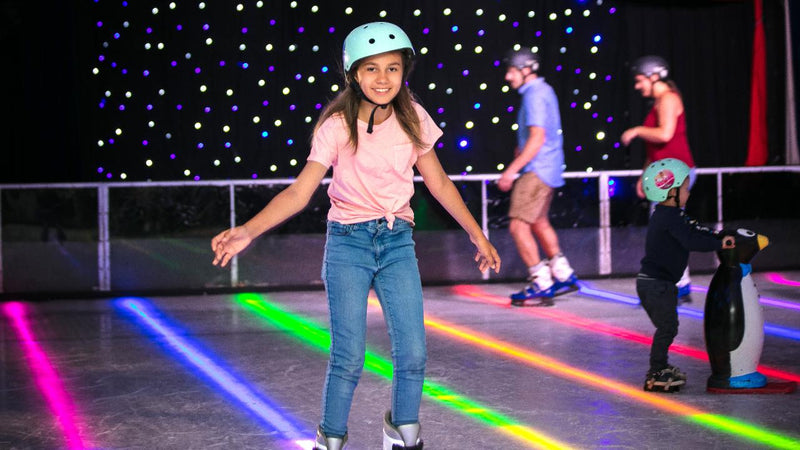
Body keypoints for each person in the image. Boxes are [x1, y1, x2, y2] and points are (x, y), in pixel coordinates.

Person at [211, 22, 501, 450]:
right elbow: (299, 192)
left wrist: (477, 233)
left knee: (413, 353)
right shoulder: (336, 126)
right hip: (348, 243)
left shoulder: (413, 118)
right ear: (353, 74)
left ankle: (401, 431)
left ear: (404, 72)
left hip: (397, 241)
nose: (383, 78)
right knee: (348, 357)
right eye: (371, 69)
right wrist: (247, 231)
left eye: (392, 68)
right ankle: (330, 439)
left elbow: (439, 182)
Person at [636, 158, 734, 392]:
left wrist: (718, 236)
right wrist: (719, 243)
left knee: (668, 326)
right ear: (672, 191)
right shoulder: (668, 217)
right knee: (668, 327)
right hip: (656, 284)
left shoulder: (671, 215)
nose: (689, 194)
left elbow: (695, 229)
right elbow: (690, 240)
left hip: (659, 283)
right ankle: (656, 370)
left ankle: (660, 367)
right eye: (686, 189)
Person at [497, 48, 577, 307]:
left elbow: (537, 138)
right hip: (549, 167)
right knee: (539, 222)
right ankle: (563, 274)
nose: (508, 77)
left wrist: (511, 170)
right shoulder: (544, 90)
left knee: (518, 226)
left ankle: (541, 283)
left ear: (526, 69)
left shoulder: (534, 94)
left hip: (537, 170)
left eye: (511, 71)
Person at [621, 55, 697, 303]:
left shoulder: (668, 99)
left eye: (640, 80)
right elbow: (656, 149)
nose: (637, 86)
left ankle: (674, 284)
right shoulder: (660, 101)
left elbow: (665, 135)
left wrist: (637, 130)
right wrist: (645, 175)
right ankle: (680, 283)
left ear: (654, 76)